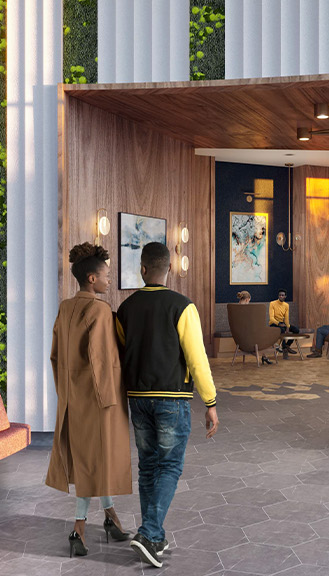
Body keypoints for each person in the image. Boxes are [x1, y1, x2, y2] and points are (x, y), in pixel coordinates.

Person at [115, 242, 218, 568]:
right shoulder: (183, 306)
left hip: (138, 401)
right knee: (170, 466)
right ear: (168, 269)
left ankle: (154, 537)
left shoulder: (126, 309)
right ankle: (148, 533)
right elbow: (197, 358)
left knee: (148, 466)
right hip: (172, 399)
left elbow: (120, 354)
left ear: (142, 269)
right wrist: (210, 402)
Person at [45, 244, 133, 557]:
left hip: (72, 398)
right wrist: (111, 399)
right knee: (93, 463)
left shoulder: (65, 307)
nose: (110, 280)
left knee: (94, 461)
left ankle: (110, 516)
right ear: (92, 278)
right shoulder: (99, 310)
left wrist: (65, 391)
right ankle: (78, 527)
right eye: (107, 275)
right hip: (99, 401)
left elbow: (55, 355)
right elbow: (102, 361)